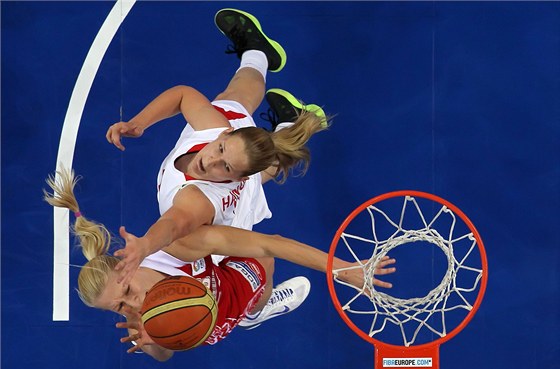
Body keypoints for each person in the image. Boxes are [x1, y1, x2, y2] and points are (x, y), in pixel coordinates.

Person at [43, 169, 397, 362]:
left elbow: (269, 243)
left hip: (225, 280)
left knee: (264, 258)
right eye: (118, 309)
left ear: (130, 267)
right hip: (205, 322)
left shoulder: (179, 247)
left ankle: (255, 312)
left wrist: (341, 269)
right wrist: (155, 339)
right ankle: (249, 314)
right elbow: (165, 355)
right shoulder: (146, 316)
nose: (132, 306)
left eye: (126, 295)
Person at [104, 8, 331, 286]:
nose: (209, 161)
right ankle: (258, 53)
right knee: (233, 98)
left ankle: (290, 127)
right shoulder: (216, 129)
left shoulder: (199, 200)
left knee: (265, 171)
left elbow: (174, 224)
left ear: (235, 179)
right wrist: (139, 123)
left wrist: (145, 246)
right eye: (220, 150)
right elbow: (182, 94)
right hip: (238, 154)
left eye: (224, 167)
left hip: (232, 207)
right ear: (223, 135)